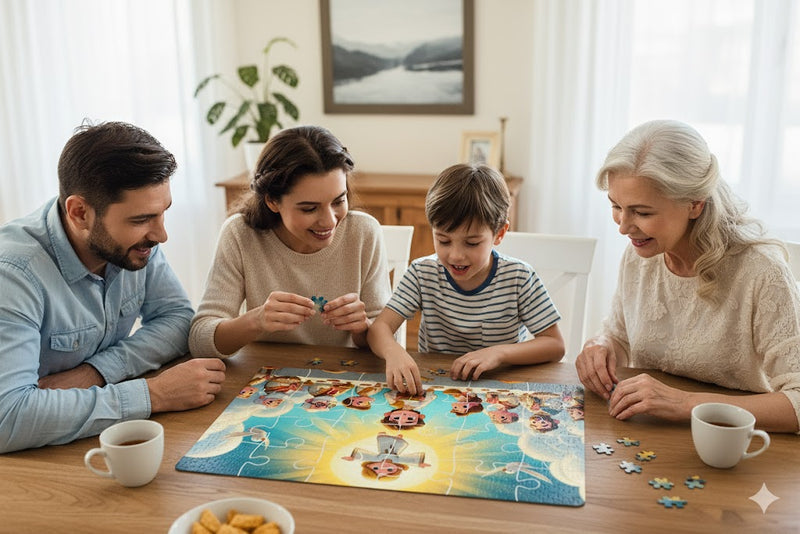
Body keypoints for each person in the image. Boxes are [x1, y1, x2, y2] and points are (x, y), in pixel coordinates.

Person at [0, 121, 226, 453]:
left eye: (163, 213)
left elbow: (178, 319)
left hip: (88, 442)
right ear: (79, 213)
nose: (161, 235)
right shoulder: (14, 275)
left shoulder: (136, 244)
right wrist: (154, 394)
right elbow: (9, 419)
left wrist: (95, 372)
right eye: (141, 220)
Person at [576, 119, 800, 433]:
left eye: (642, 212)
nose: (623, 227)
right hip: (651, 438)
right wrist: (600, 346)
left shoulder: (761, 271)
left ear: (695, 204)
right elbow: (620, 337)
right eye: (616, 206)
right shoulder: (640, 254)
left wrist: (686, 404)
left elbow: (797, 401)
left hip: (734, 447)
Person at [189, 125, 391, 357]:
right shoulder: (240, 234)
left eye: (338, 201)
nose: (329, 221)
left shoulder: (364, 232)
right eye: (309, 208)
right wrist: (256, 320)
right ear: (272, 202)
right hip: (261, 381)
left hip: (343, 381)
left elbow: (389, 340)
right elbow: (199, 340)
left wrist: (361, 328)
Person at [367, 164, 565, 394]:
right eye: (443, 240)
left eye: (472, 243)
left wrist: (499, 353)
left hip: (500, 390)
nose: (456, 255)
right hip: (436, 389)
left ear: (499, 234)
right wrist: (394, 352)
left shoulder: (519, 277)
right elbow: (379, 328)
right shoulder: (422, 273)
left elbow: (555, 345)